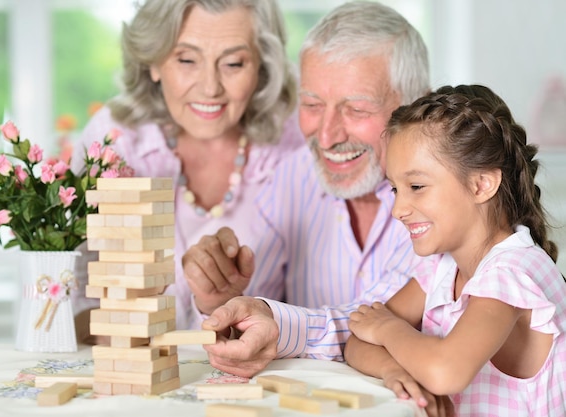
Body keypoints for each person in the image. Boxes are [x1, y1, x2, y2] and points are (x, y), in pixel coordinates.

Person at [185, 0, 430, 383]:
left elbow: (380, 320)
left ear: (418, 106)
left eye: (357, 109)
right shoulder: (292, 177)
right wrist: (223, 298)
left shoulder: (443, 196)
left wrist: (279, 326)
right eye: (312, 105)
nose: (328, 135)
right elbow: (251, 316)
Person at [69, 0, 305, 335]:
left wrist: (221, 311)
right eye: (187, 60)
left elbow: (317, 304)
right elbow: (69, 301)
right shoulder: (114, 141)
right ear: (153, 61)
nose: (210, 87)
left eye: (234, 63)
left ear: (261, 68)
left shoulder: (296, 143)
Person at [346, 84, 566, 416]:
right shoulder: (441, 269)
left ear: (481, 185)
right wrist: (397, 371)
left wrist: (388, 329)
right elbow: (357, 341)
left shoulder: (512, 273)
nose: (398, 209)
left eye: (416, 186)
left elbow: (445, 372)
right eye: (395, 189)